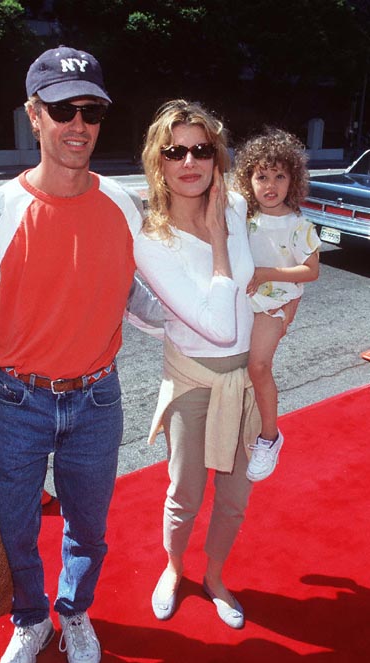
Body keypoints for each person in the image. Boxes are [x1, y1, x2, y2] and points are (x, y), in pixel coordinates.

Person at [0, 45, 162, 663]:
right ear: (33, 115)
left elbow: (145, 301)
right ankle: (30, 617)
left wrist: (222, 308)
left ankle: (73, 613)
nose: (79, 124)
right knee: (15, 529)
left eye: (90, 111)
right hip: (15, 402)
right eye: (62, 109)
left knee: (89, 530)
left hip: (97, 400)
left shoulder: (124, 206)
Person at [133, 99, 262, 628]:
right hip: (191, 377)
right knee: (184, 490)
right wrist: (217, 244)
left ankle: (214, 576)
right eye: (175, 151)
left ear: (216, 154)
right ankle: (172, 567)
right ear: (158, 162)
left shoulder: (234, 204)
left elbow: (247, 293)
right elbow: (220, 325)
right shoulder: (152, 240)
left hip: (245, 379)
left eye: (201, 149)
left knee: (234, 496)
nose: (190, 161)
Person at [233, 128, 320, 482]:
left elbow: (311, 271)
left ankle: (270, 436)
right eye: (262, 176)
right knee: (234, 369)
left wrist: (268, 273)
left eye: (279, 176)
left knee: (258, 366)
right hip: (242, 302)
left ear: (293, 180)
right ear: (248, 179)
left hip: (275, 305)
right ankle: (240, 426)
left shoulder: (298, 224)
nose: (270, 184)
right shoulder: (243, 217)